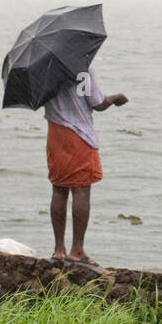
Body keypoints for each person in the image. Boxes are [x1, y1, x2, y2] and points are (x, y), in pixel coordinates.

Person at [43, 66, 128, 266]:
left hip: (55, 133)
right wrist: (115, 98)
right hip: (79, 134)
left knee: (58, 189)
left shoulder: (45, 69)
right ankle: (77, 250)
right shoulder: (82, 69)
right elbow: (98, 103)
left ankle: (58, 250)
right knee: (81, 191)